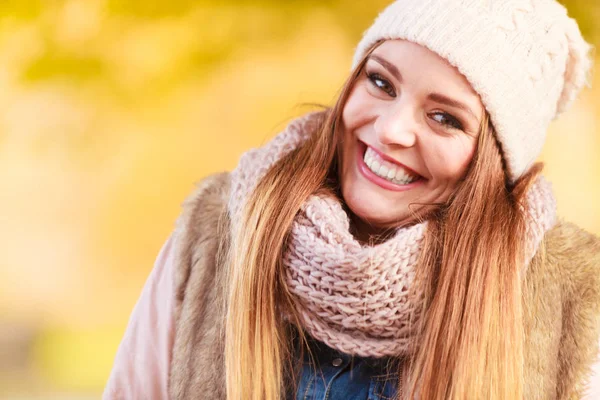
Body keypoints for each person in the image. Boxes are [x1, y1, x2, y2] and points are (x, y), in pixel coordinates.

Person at [103, 0, 600, 399]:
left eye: (445, 118)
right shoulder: (215, 235)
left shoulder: (571, 302)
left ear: (491, 163)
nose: (390, 130)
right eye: (381, 82)